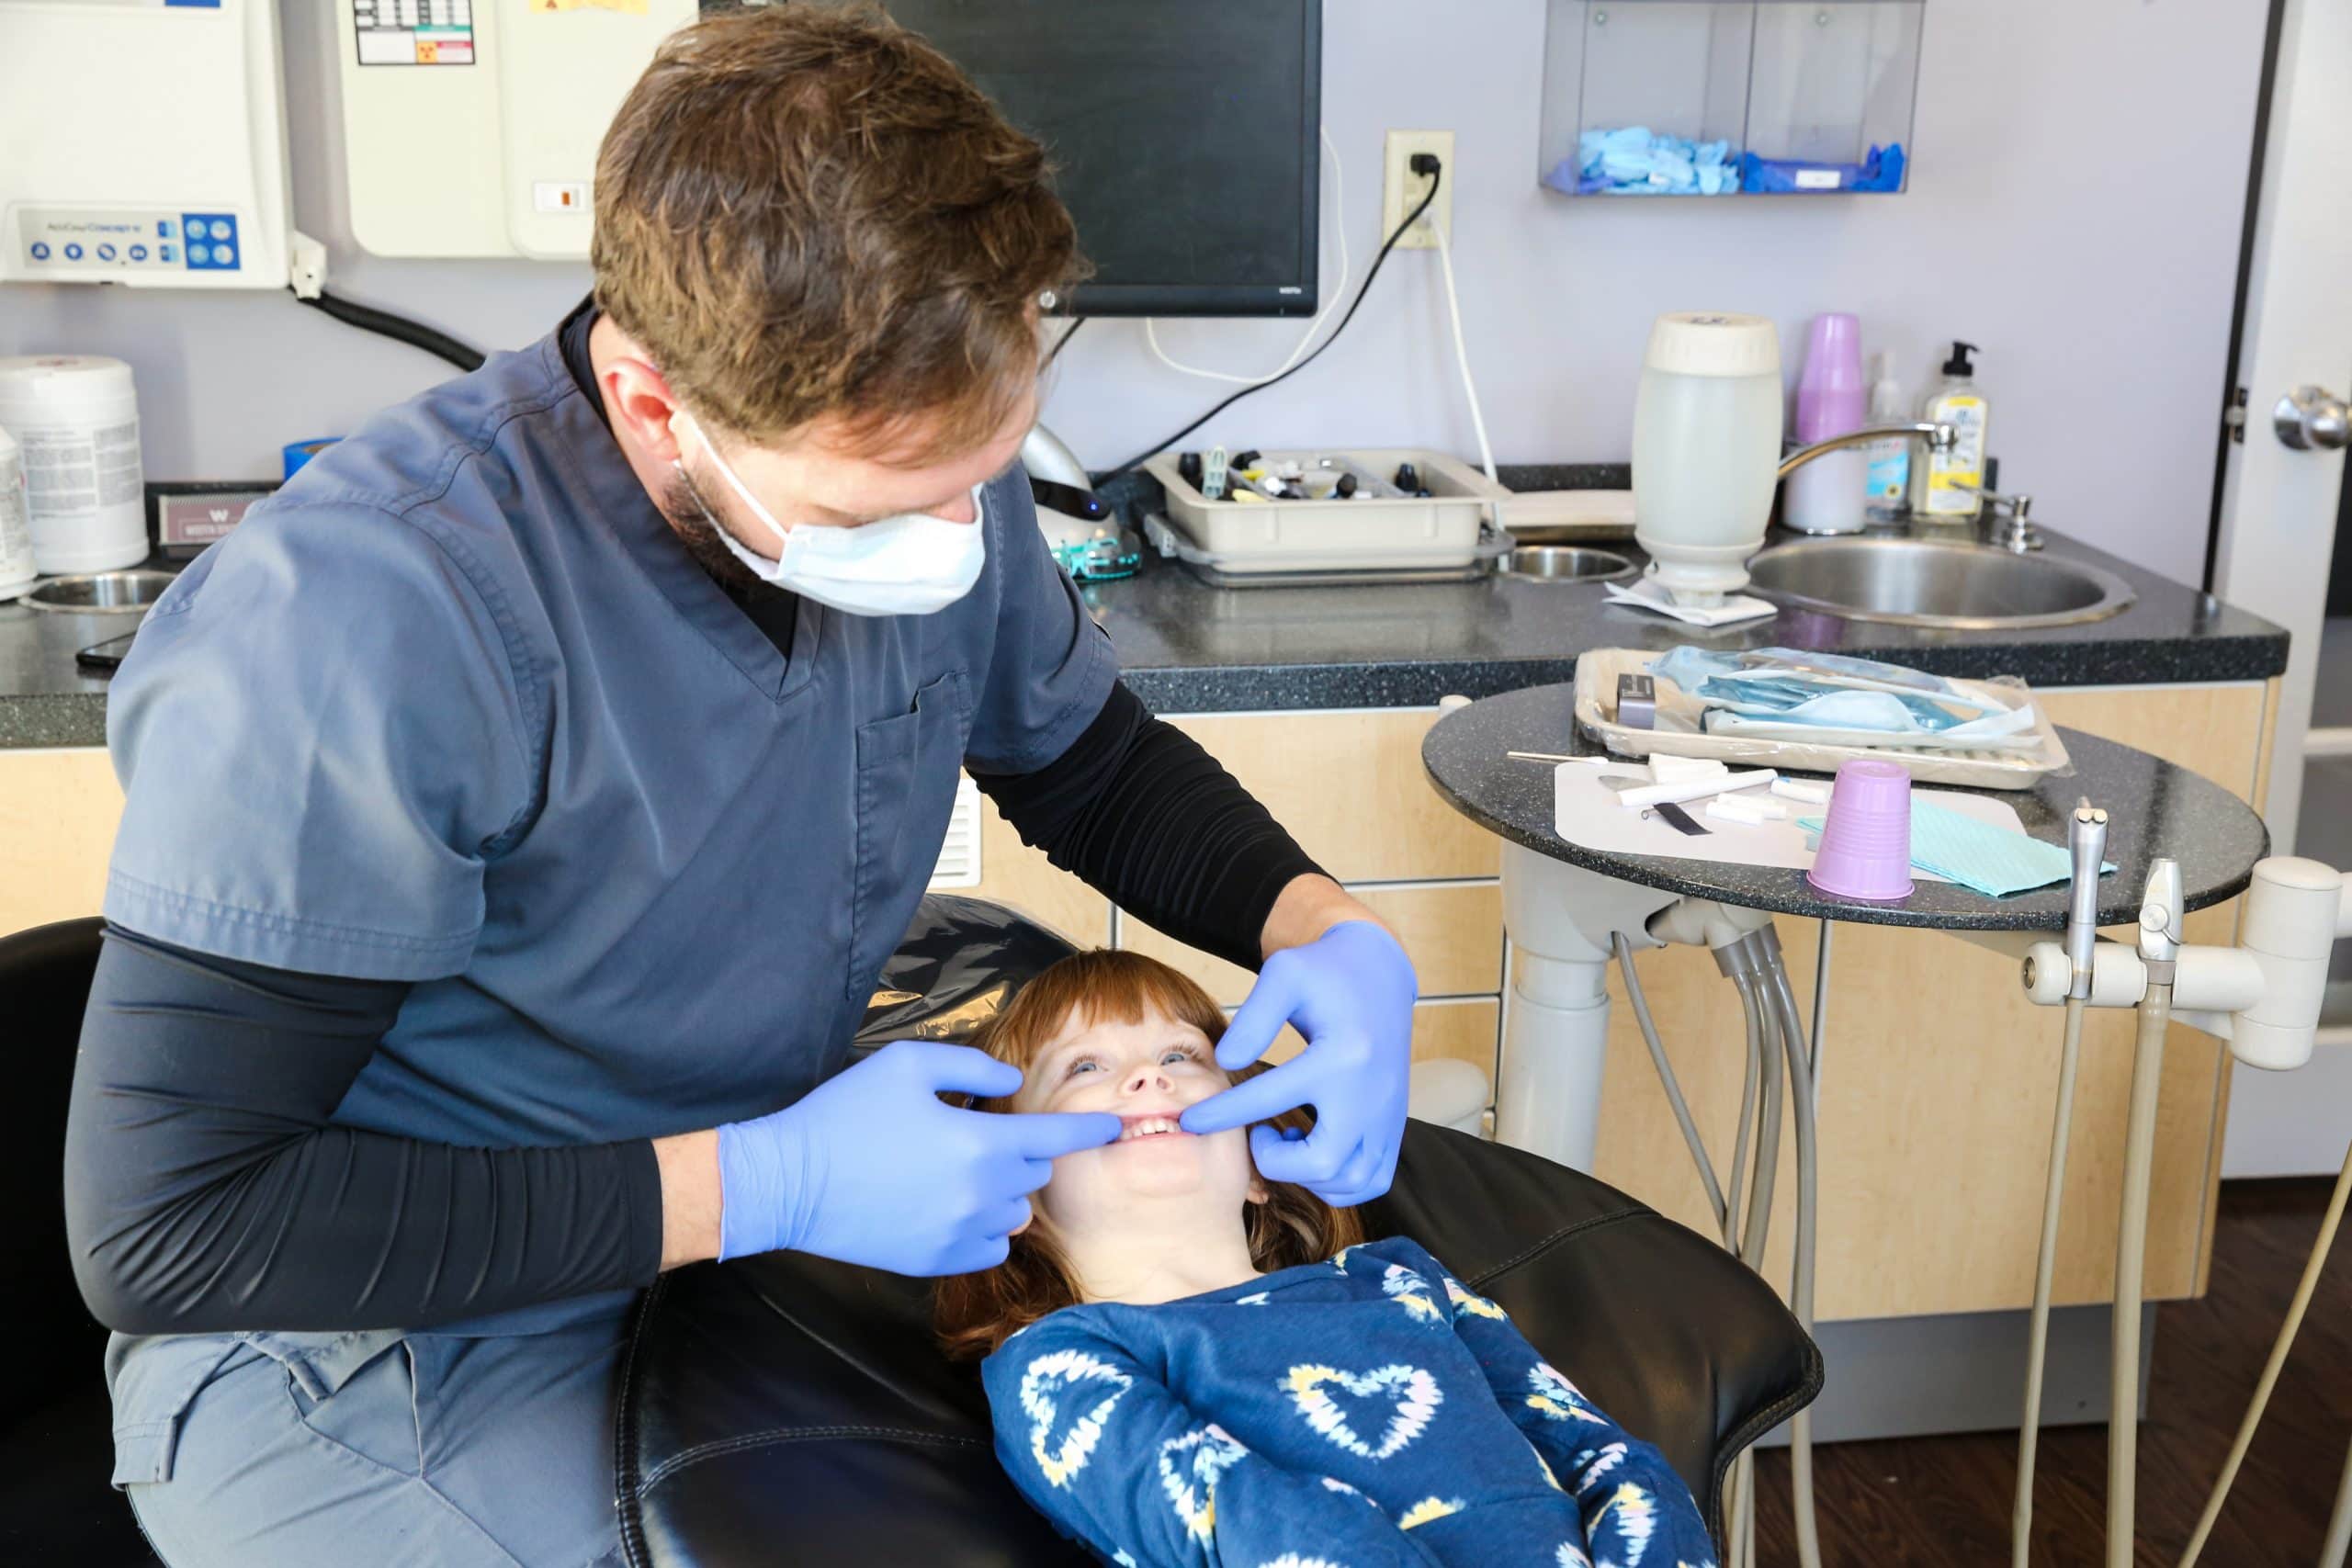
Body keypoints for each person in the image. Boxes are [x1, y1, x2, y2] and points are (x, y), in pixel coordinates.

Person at [61, 9, 1418, 1565]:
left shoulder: (926, 463)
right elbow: (176, 1228)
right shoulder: (366, 622)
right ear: (657, 406)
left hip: (740, 1246)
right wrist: (772, 1180)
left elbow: (1087, 760)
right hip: (387, 1346)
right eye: (885, 498)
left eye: (985, 470)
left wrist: (1324, 925)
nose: (961, 530)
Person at [936, 950, 1715, 1568]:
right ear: (1023, 1191)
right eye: (1084, 1067)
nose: (1150, 1076)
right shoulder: (1055, 1363)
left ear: (1254, 1166)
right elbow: (1253, 1529)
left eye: (1182, 1052)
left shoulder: (1398, 1277)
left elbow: (1607, 1456)